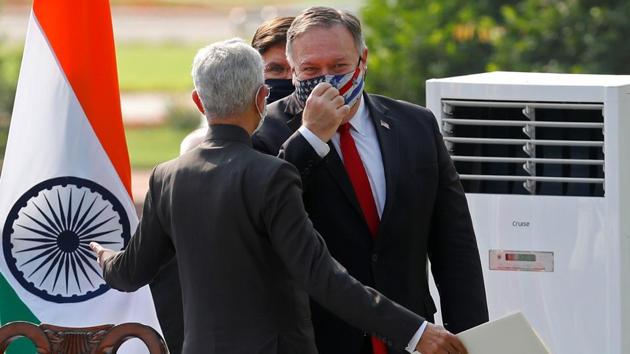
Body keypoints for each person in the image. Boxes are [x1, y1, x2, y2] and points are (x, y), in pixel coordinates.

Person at [90, 39, 468, 354]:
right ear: (261, 98)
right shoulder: (272, 175)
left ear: (198, 102)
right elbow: (322, 276)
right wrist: (416, 332)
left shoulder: (167, 177)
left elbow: (129, 273)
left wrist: (102, 255)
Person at [252, 6, 489, 354]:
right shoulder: (264, 134)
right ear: (293, 69)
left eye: (338, 66)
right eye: (311, 69)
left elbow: (455, 246)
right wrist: (311, 139)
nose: (327, 78)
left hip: (411, 338)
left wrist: (474, 339)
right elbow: (261, 217)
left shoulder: (416, 127)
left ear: (363, 60)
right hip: (317, 340)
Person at [179, 16, 295, 155]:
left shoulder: (323, 135)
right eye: (276, 69)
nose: (290, 78)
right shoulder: (202, 146)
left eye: (299, 69)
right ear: (254, 72)